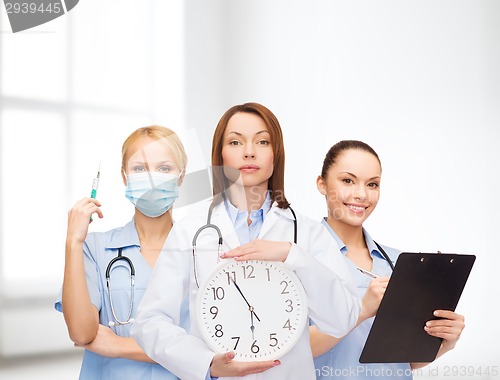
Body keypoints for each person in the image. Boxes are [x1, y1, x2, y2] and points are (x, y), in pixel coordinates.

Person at [131, 102, 361, 380]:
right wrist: (205, 363)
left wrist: (293, 255)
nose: (249, 151)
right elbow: (150, 321)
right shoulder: (190, 231)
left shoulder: (307, 233)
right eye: (236, 141)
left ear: (276, 155)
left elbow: (343, 319)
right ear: (220, 155)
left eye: (262, 141)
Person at [310, 140, 465, 379]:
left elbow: (403, 361)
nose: (361, 194)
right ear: (322, 184)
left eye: (372, 184)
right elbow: (294, 350)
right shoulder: (301, 258)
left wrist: (443, 342)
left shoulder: (397, 262)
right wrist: (361, 311)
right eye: (348, 180)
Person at [55, 126, 188, 379]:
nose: (151, 178)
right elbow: (82, 333)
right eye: (140, 168)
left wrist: (116, 345)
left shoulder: (201, 251)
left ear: (180, 177)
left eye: (164, 169)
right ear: (125, 176)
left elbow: (209, 350)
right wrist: (73, 241)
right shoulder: (95, 248)